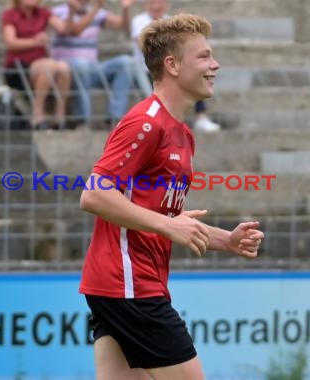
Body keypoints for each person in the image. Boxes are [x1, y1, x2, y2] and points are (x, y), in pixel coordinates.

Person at [79, 13, 264, 379]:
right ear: (172, 65)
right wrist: (167, 225)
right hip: (130, 285)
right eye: (204, 56)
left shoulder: (182, 133)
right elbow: (94, 195)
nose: (215, 65)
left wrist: (227, 241)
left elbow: (169, 221)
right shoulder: (145, 122)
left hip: (125, 284)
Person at [2, 0, 103, 130]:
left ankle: (59, 117)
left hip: (42, 63)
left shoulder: (43, 13)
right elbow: (10, 43)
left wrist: (71, 12)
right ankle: (38, 115)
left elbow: (67, 30)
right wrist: (34, 42)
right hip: (19, 66)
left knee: (63, 68)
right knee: (48, 67)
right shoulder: (10, 14)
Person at [131, 0, 221, 133]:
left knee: (195, 80)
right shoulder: (142, 126)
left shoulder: (185, 134)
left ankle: (201, 118)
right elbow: (145, 48)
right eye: (204, 57)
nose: (216, 65)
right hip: (147, 71)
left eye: (160, 2)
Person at [51, 0, 135, 129]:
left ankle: (115, 117)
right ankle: (82, 120)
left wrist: (125, 8)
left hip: (93, 68)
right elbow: (73, 31)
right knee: (81, 65)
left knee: (126, 62)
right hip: (68, 70)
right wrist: (94, 10)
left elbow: (123, 26)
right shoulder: (57, 12)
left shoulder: (99, 13)